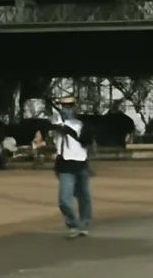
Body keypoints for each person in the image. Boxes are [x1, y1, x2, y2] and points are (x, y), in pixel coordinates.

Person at [50, 96, 93, 238]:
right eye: (63, 106)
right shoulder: (57, 123)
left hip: (81, 163)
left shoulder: (83, 124)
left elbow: (87, 141)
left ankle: (85, 223)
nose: (66, 109)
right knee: (63, 199)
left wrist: (70, 130)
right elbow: (48, 128)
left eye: (69, 106)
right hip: (65, 165)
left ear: (75, 107)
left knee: (84, 196)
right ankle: (72, 224)